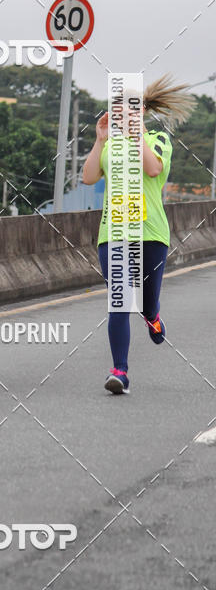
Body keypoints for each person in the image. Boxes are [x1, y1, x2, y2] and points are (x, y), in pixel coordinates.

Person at [82, 74, 195, 395]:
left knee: (144, 302)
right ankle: (120, 371)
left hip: (151, 234)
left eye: (131, 108)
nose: (123, 112)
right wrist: (100, 139)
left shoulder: (158, 140)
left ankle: (153, 315)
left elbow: (153, 169)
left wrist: (135, 134)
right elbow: (89, 177)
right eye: (117, 107)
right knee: (119, 302)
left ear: (142, 111)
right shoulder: (110, 145)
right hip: (113, 233)